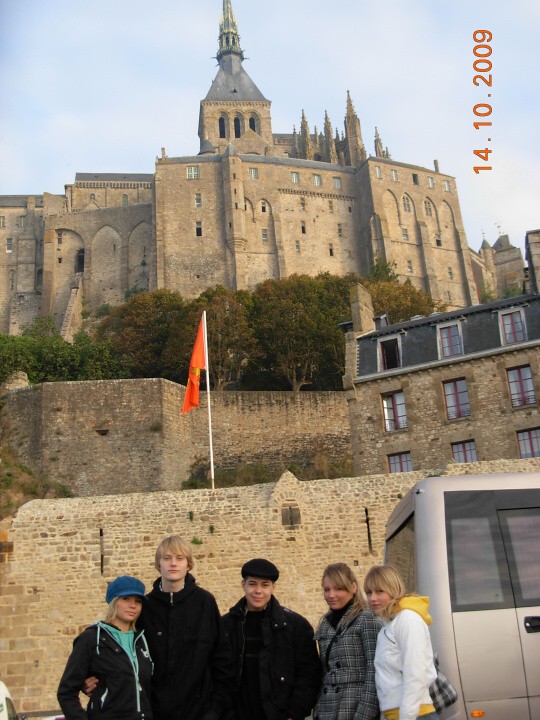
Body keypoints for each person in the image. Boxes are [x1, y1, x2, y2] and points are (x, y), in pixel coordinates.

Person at [84, 536, 233, 720]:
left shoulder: (205, 603)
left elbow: (222, 659)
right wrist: (90, 678)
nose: (173, 563)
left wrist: (215, 710)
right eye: (167, 558)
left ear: (188, 564)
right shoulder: (145, 607)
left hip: (198, 711)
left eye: (179, 558)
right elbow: (119, 650)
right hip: (153, 711)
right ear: (158, 564)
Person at [222, 558, 321, 720]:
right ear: (243, 585)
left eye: (265, 585)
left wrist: (294, 714)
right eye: (252, 584)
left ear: (273, 587)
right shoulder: (225, 626)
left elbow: (309, 675)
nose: (258, 591)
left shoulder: (295, 626)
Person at [57, 575, 153, 720]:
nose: (132, 605)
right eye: (125, 599)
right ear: (113, 601)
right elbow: (66, 692)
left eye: (138, 601)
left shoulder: (143, 640)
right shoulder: (91, 638)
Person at [363, 565, 438, 720]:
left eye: (379, 591)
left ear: (394, 590)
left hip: (416, 714)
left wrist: (406, 716)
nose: (372, 598)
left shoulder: (408, 619)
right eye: (369, 592)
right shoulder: (388, 625)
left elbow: (416, 672)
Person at [313, 562, 380, 720]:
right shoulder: (325, 624)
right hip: (326, 709)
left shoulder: (366, 618)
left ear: (353, 587)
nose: (331, 595)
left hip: (354, 707)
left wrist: (364, 714)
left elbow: (374, 671)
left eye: (338, 589)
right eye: (327, 589)